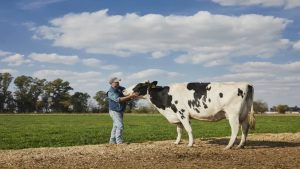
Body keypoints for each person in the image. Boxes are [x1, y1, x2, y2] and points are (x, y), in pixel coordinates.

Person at [107, 77, 138, 144]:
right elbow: (119, 99)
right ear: (112, 83)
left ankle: (112, 141)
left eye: (118, 82)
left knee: (115, 126)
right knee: (120, 125)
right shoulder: (110, 92)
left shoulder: (121, 88)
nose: (118, 83)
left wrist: (132, 96)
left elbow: (127, 96)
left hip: (120, 110)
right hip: (114, 111)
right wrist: (130, 96)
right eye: (116, 82)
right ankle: (119, 142)